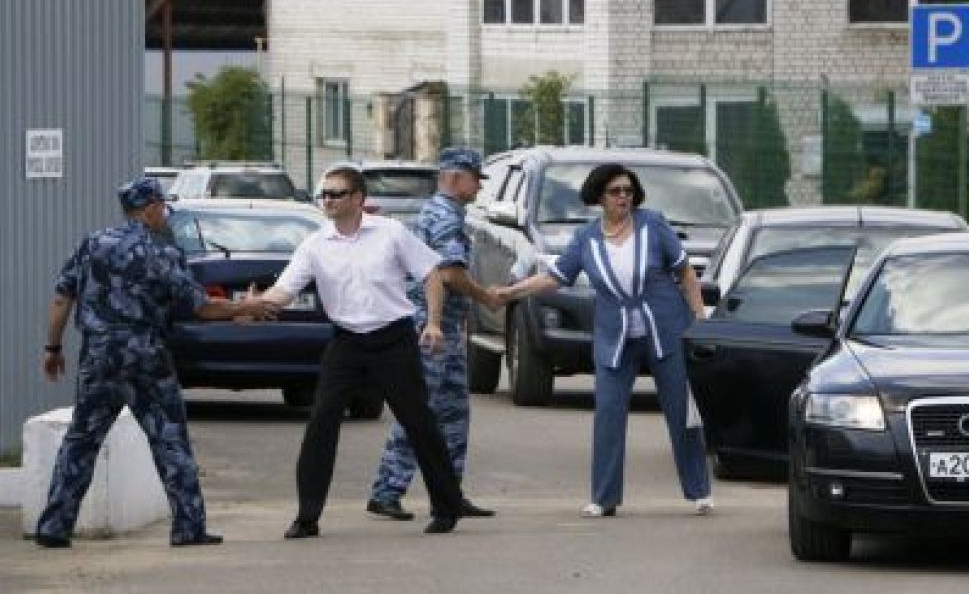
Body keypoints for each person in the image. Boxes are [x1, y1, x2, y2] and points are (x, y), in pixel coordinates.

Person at [35, 176, 277, 549]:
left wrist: (53, 348)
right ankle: (188, 528)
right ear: (149, 210)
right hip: (147, 355)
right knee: (170, 439)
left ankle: (54, 527)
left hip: (98, 356)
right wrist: (246, 307)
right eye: (162, 208)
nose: (165, 215)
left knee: (81, 440)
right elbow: (201, 306)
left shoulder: (92, 244)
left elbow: (61, 299)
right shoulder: (163, 253)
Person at [492, 163, 714, 518]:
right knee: (608, 413)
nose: (623, 197)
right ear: (599, 197)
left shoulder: (653, 224)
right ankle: (604, 497)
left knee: (681, 411)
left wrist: (700, 319)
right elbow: (554, 278)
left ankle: (699, 490)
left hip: (666, 331)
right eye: (615, 191)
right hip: (615, 337)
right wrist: (510, 293)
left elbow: (685, 272)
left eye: (628, 191)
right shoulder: (586, 238)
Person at [259, 166, 466, 539]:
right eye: (324, 194)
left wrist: (433, 322)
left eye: (336, 193)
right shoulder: (315, 244)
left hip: (393, 339)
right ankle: (307, 516)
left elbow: (431, 273)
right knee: (321, 421)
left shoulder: (390, 233)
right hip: (347, 342)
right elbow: (285, 291)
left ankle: (446, 506)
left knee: (419, 422)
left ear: (357, 198)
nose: (328, 200)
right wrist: (254, 306)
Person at [366, 148, 503, 521]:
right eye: (475, 179)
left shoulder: (443, 212)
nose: (479, 187)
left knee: (453, 414)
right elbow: (449, 273)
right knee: (420, 410)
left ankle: (449, 494)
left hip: (444, 329)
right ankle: (387, 490)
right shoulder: (444, 216)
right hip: (432, 329)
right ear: (456, 178)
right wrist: (485, 297)